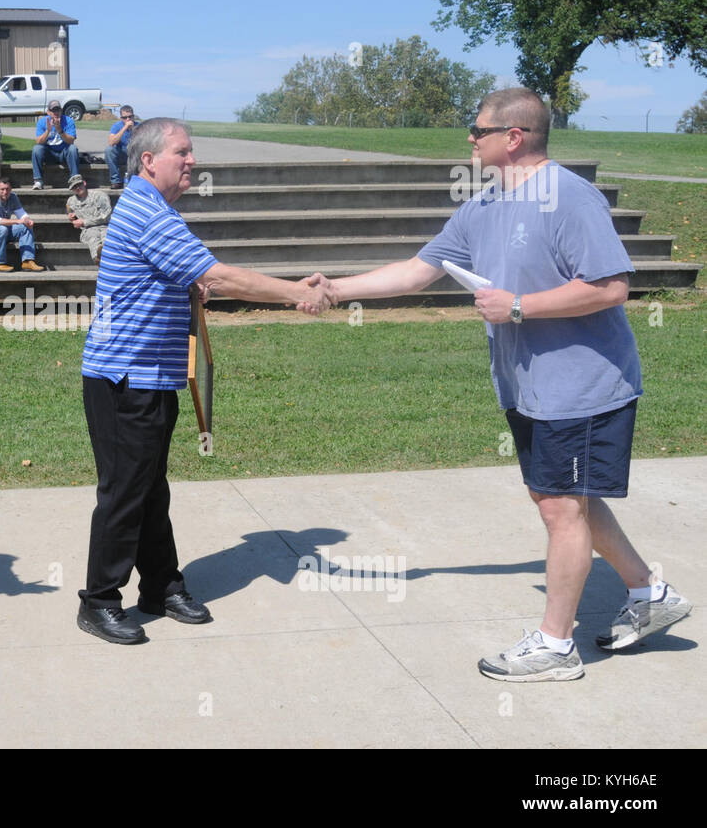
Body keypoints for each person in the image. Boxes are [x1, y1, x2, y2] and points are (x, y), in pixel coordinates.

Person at [319, 88, 691, 681]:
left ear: (512, 137)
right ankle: (649, 595)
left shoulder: (570, 198)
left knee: (561, 510)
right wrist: (334, 290)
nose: (470, 138)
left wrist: (518, 305)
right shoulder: (484, 205)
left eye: (477, 129)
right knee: (563, 500)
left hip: (583, 385)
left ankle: (555, 647)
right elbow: (419, 271)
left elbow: (611, 286)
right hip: (529, 387)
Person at [77, 118, 329, 644]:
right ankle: (99, 600)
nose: (192, 161)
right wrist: (293, 293)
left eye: (191, 153)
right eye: (182, 153)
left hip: (150, 378)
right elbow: (217, 274)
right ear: (148, 160)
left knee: (150, 491)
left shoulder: (156, 209)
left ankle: (160, 586)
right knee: (125, 493)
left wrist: (187, 291)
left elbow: (182, 279)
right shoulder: (149, 211)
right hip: (125, 381)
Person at [0, 176, 45, 273]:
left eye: (7, 189)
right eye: (2, 189)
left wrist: (28, 220)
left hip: (3, 230)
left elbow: (22, 214)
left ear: (11, 189)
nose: (5, 192)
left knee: (25, 227)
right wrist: (18, 221)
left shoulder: (13, 197)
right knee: (2, 229)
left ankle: (27, 261)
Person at [65, 173, 111, 262]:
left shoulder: (100, 195)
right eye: (74, 187)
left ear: (84, 183)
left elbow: (106, 216)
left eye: (79, 185)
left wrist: (84, 222)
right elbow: (71, 214)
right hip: (88, 230)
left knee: (107, 238)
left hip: (106, 226)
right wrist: (72, 218)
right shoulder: (71, 201)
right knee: (93, 237)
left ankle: (105, 257)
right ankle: (98, 259)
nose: (78, 188)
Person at [106, 105, 136, 188]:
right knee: (109, 150)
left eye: (130, 117)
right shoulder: (116, 126)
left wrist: (133, 130)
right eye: (125, 117)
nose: (128, 119)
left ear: (133, 116)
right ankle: (116, 181)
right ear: (121, 118)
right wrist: (124, 128)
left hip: (134, 156)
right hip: (121, 154)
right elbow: (111, 142)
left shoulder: (139, 126)